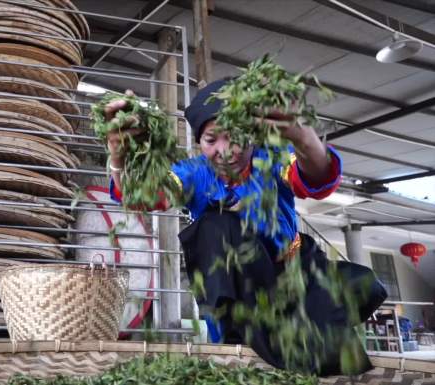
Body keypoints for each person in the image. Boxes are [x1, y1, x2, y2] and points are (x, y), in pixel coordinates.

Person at [104, 79, 387, 376]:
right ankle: (244, 339)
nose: (225, 151)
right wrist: (119, 156)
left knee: (363, 287)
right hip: (237, 293)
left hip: (293, 278)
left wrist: (302, 136)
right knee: (216, 223)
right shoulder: (194, 172)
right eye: (211, 140)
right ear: (200, 143)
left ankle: (291, 335)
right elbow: (146, 196)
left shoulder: (273, 162)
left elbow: (317, 179)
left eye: (234, 137)